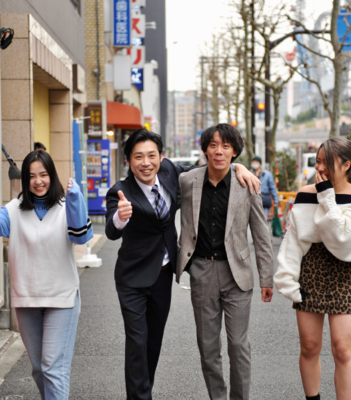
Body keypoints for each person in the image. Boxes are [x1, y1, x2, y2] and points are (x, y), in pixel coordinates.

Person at [105, 129, 259, 400]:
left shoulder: (169, 173)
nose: (146, 162)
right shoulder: (120, 192)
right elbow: (110, 230)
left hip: (163, 275)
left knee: (153, 344)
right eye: (138, 157)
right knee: (137, 342)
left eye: (152, 155)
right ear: (128, 160)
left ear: (161, 157)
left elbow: (210, 166)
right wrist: (120, 218)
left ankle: (144, 392)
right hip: (132, 279)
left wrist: (239, 167)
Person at [0, 150, 93, 399]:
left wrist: (75, 200)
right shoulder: (14, 210)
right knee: (39, 369)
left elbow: (81, 235)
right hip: (26, 299)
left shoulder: (65, 206)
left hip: (62, 299)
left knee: (53, 368)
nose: (38, 181)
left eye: (43, 174)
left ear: (52, 175)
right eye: (31, 176)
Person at [176, 123, 275, 400]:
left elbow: (261, 234)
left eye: (226, 146)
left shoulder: (247, 185)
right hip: (202, 271)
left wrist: (266, 277)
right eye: (213, 145)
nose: (219, 151)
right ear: (205, 150)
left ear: (234, 152)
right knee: (208, 348)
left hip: (237, 273)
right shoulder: (188, 181)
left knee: (238, 346)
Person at [274, 137, 351, 400]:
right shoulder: (305, 193)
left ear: (346, 165)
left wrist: (327, 196)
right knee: (309, 346)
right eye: (318, 161)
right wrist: (286, 279)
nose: (320, 168)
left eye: (326, 162)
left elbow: (343, 239)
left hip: (344, 273)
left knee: (342, 349)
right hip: (311, 270)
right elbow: (293, 239)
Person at [250, 155, 280, 220]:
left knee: (264, 219)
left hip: (264, 200)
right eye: (253, 162)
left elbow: (272, 188)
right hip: (252, 200)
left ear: (260, 164)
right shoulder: (248, 173)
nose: (254, 164)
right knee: (252, 219)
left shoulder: (267, 174)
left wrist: (276, 200)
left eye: (256, 162)